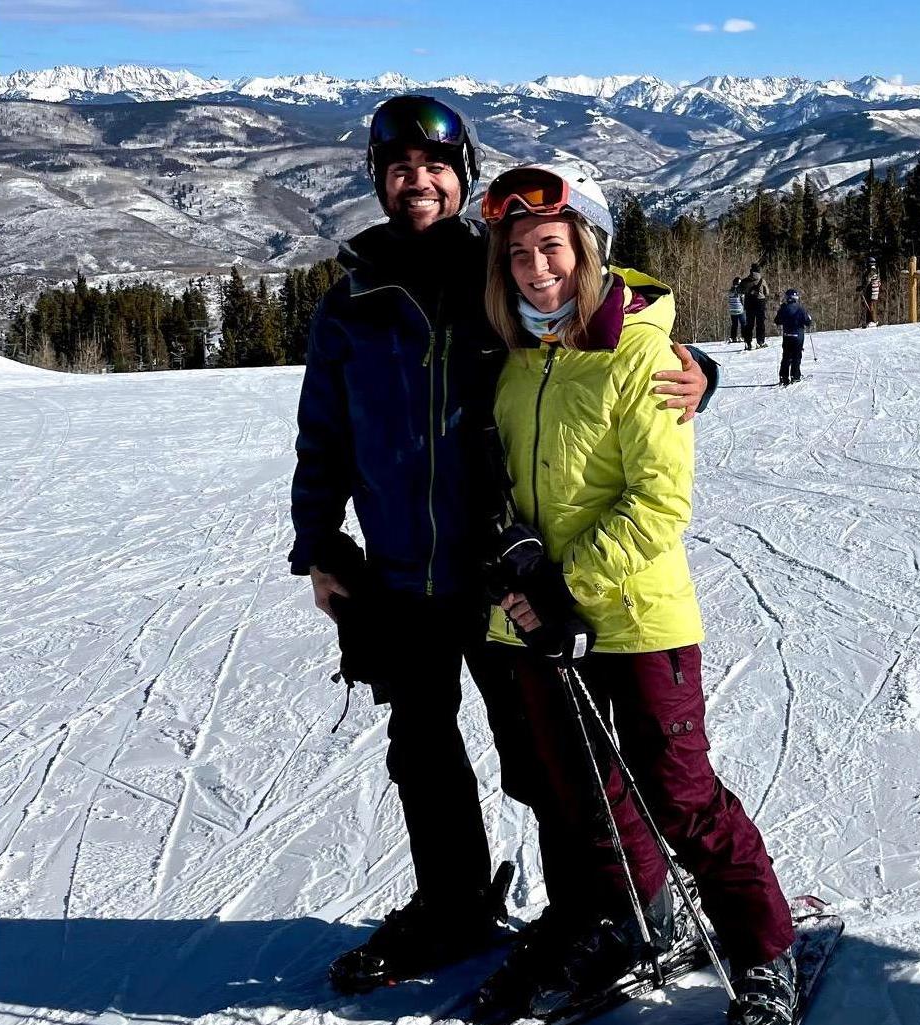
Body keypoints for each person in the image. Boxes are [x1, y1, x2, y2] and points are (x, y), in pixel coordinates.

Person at [288, 95, 717, 993]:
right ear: (379, 180)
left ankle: (583, 908)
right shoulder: (352, 299)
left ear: (462, 176)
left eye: (435, 165)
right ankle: (453, 905)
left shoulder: (500, 275)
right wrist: (320, 542)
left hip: (497, 569)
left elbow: (609, 307)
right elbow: (322, 432)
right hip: (400, 570)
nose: (418, 179)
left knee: (542, 754)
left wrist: (694, 365)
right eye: (399, 165)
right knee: (423, 752)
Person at [476, 164, 796, 1025]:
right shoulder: (512, 363)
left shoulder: (645, 354)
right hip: (535, 628)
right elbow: (496, 485)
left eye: (552, 246)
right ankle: (637, 918)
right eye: (518, 253)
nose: (536, 267)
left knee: (681, 798)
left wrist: (564, 588)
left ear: (588, 249)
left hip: (637, 618)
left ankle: (766, 949)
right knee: (586, 799)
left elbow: (659, 502)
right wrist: (514, 572)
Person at [774, 288, 813, 386]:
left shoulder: (784, 308)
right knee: (796, 356)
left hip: (787, 335)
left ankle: (784, 376)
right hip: (798, 336)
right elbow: (808, 322)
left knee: (786, 356)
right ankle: (795, 376)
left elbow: (777, 321)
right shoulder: (800, 308)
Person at [740, 262, 770, 349]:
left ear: (751, 270)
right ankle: (760, 342)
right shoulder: (762, 280)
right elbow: (767, 292)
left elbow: (740, 291)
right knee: (760, 323)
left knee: (749, 324)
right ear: (759, 271)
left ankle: (748, 342)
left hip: (749, 303)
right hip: (760, 303)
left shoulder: (745, 281)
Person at [859, 256, 880, 327]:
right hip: (872, 290)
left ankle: (873, 320)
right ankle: (868, 321)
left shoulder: (872, 270)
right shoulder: (874, 270)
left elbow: (868, 281)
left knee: (871, 305)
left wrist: (862, 287)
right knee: (869, 304)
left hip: (873, 290)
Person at [727, 275, 745, 342]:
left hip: (732, 310)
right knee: (743, 323)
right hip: (739, 309)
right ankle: (743, 336)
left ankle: (733, 337)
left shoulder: (730, 291)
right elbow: (742, 300)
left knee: (734, 324)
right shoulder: (740, 290)